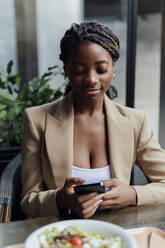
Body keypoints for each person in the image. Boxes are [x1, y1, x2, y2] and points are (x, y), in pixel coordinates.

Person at [21, 21, 165, 219]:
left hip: (116, 232)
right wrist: (62, 200)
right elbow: (28, 200)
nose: (91, 79)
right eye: (79, 70)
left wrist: (132, 194)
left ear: (113, 66)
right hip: (61, 233)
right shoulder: (37, 121)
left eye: (101, 69)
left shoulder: (134, 121)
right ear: (66, 70)